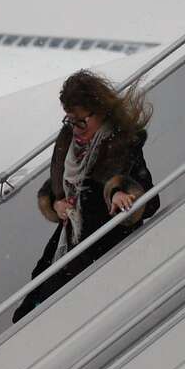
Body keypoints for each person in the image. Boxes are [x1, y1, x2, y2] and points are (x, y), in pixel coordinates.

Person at [19, 70, 160, 322]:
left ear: (101, 110)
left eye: (80, 121)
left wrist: (121, 194)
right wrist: (56, 202)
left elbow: (148, 198)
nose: (75, 128)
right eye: (69, 121)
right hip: (70, 244)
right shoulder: (68, 145)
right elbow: (55, 185)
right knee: (29, 310)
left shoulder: (121, 144)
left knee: (47, 315)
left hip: (102, 253)